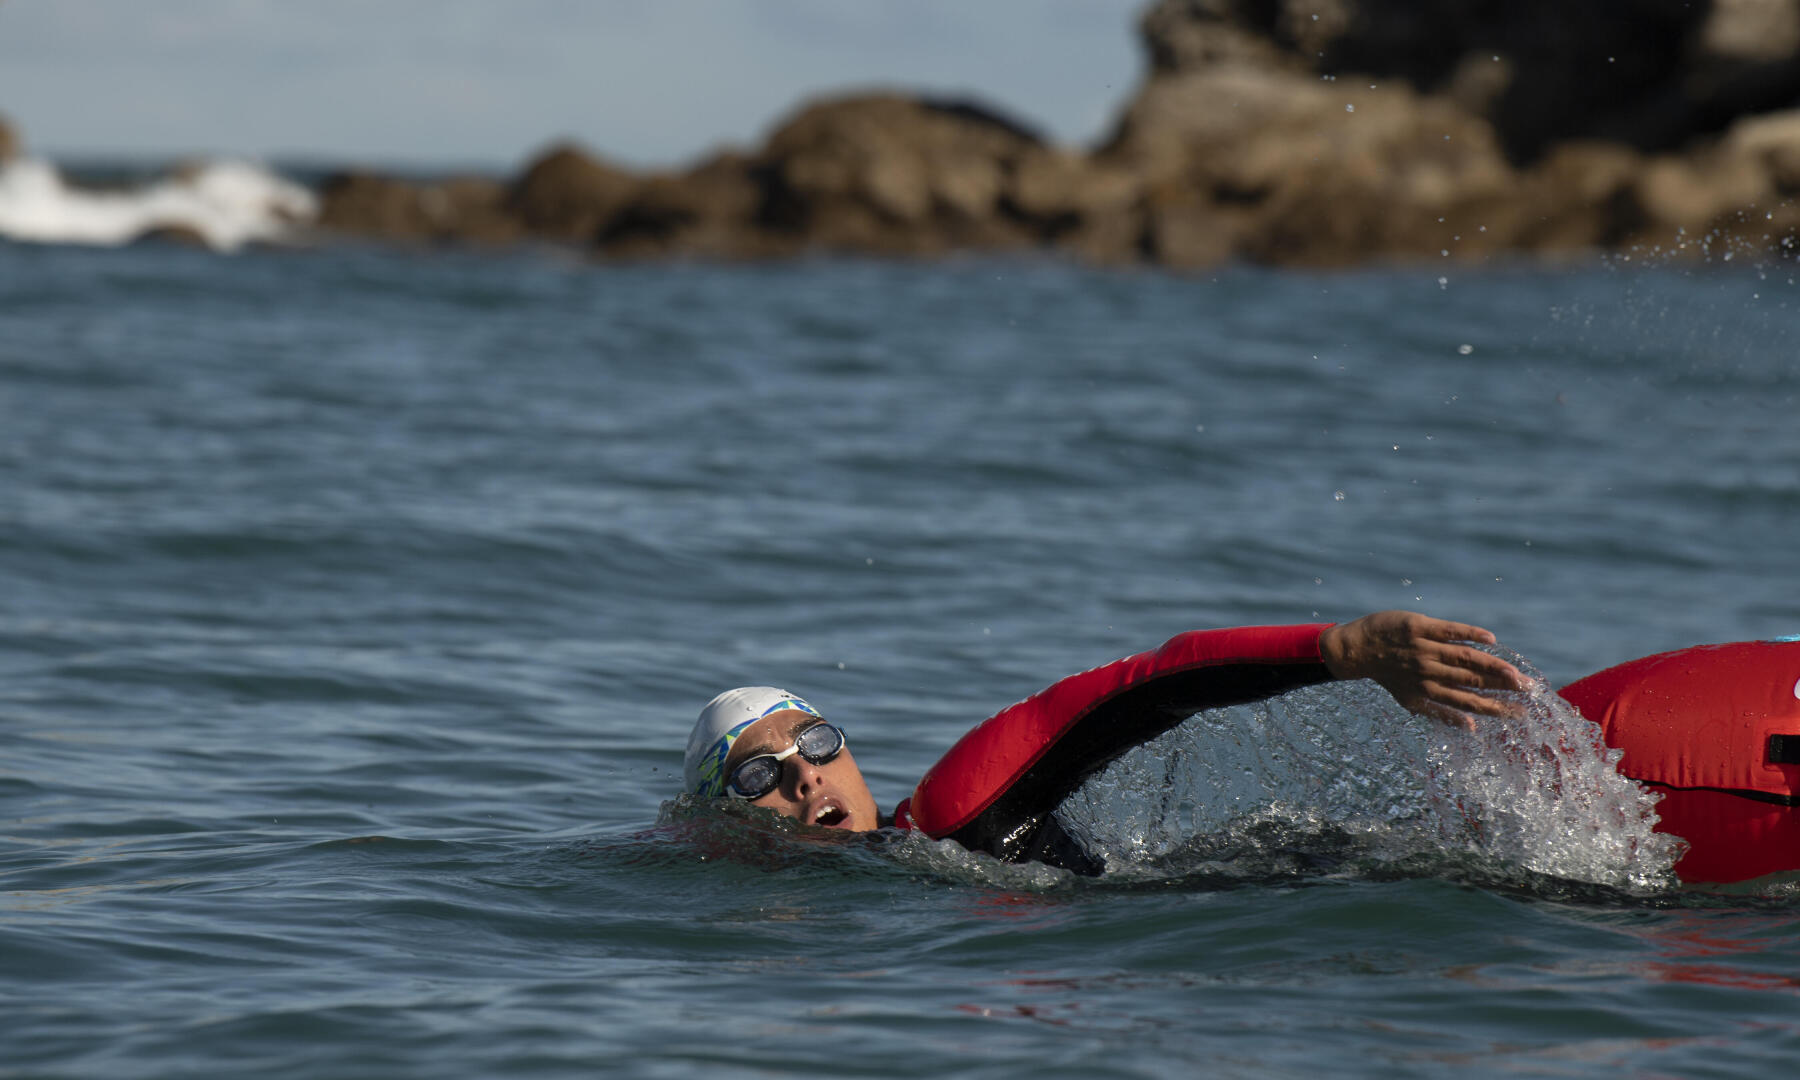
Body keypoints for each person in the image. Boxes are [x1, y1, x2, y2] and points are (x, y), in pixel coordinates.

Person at [682, 610, 1525, 872]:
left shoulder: (953, 818)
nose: (804, 776)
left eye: (817, 742)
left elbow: (1135, 689)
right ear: (726, 825)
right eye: (760, 772)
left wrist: (1340, 653)